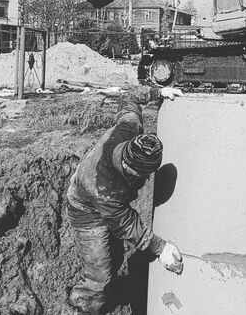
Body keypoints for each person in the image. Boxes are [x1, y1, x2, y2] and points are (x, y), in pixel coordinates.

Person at [64, 86, 184, 315]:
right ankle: (83, 307)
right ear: (126, 165)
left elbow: (128, 98)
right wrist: (160, 248)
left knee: (115, 257)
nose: (141, 180)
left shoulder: (129, 128)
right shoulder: (102, 185)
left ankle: (112, 297)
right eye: (136, 175)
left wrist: (158, 92)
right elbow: (125, 223)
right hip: (86, 211)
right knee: (99, 272)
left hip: (110, 205)